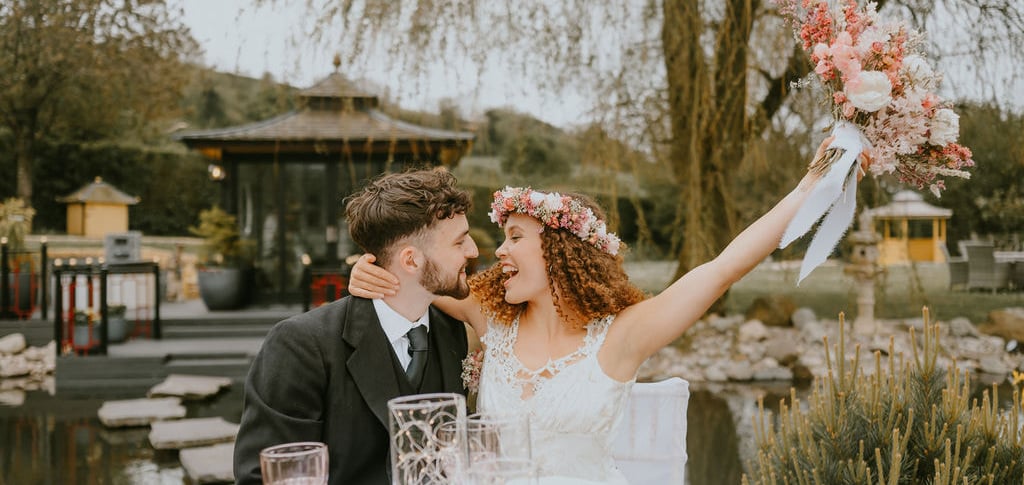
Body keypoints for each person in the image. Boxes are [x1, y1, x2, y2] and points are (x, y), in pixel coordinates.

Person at [350, 139, 866, 483]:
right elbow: (412, 272)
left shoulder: (622, 336)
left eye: (515, 237)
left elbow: (723, 268)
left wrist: (811, 185)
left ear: (559, 251)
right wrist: (364, 271)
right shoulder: (490, 317)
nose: (499, 251)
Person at [233, 168, 479, 485]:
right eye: (459, 242)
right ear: (411, 261)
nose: (473, 251)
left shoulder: (454, 330)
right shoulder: (300, 345)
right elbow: (265, 476)